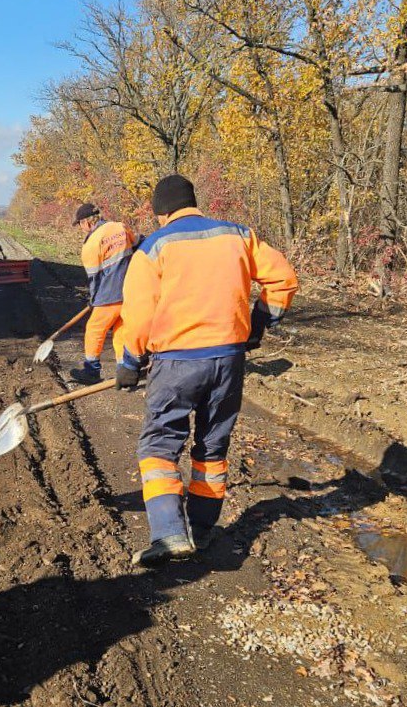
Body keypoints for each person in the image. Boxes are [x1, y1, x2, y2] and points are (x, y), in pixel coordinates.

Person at [117, 174, 298, 567]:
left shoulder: (154, 246)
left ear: (161, 213)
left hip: (177, 363)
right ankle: (201, 531)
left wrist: (130, 362)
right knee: (212, 446)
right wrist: (260, 321)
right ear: (193, 203)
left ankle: (168, 535)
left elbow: (139, 314)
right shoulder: (239, 234)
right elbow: (282, 278)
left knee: (159, 446)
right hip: (229, 361)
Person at [70, 202, 139, 385]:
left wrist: (93, 299)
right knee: (120, 331)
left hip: (109, 296)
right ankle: (124, 372)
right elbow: (138, 242)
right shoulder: (120, 227)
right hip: (130, 291)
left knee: (94, 329)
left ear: (86, 222)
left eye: (80, 225)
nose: (80, 229)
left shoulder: (91, 244)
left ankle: (92, 371)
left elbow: (94, 279)